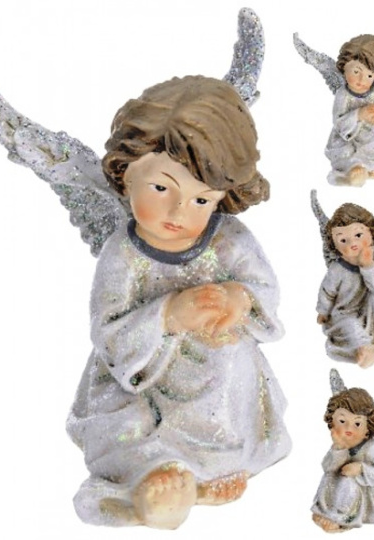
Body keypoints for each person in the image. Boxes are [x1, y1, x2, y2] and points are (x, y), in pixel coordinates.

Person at [66, 75, 291, 528]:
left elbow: (264, 289)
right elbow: (107, 332)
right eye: (162, 188)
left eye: (201, 199)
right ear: (127, 172)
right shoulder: (123, 253)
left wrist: (238, 299)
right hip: (141, 370)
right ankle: (154, 478)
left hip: (213, 362)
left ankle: (206, 471)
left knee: (229, 370)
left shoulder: (229, 239)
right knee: (126, 419)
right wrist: (169, 315)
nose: (178, 213)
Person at [316, 202, 374, 367]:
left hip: (369, 311)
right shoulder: (337, 269)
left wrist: (367, 266)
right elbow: (327, 292)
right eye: (343, 240)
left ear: (372, 235)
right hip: (343, 314)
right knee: (350, 325)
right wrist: (323, 311)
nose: (351, 243)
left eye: (358, 235)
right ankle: (364, 349)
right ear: (334, 245)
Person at [312, 387, 374, 531]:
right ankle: (325, 511)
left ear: (367, 429)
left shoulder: (373, 448)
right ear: (332, 422)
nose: (349, 428)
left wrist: (361, 469)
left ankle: (341, 518)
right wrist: (338, 447)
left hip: (371, 492)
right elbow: (327, 467)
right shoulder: (342, 442)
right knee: (330, 476)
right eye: (342, 421)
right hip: (345, 484)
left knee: (348, 482)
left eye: (357, 424)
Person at [325, 34, 374, 186]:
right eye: (356, 72)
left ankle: (372, 166)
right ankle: (355, 169)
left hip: (372, 133)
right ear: (344, 66)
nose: (361, 80)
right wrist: (359, 114)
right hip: (349, 133)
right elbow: (339, 123)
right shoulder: (343, 94)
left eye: (369, 75)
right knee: (344, 149)